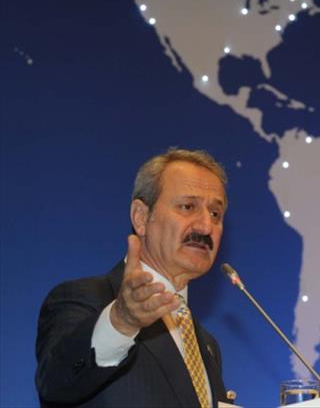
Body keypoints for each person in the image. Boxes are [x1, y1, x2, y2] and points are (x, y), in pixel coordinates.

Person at [36, 148, 230, 407]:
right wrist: (121, 321)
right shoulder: (84, 299)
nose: (206, 226)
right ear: (141, 217)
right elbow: (55, 384)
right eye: (187, 206)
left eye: (215, 214)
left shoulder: (207, 345)